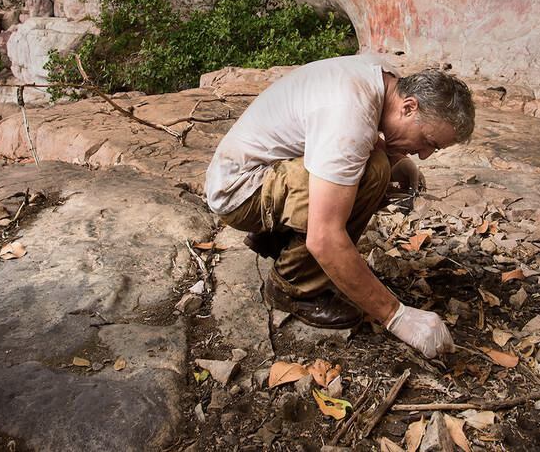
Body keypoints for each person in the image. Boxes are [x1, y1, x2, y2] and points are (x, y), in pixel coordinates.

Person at [204, 54, 475, 359]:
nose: (424, 155)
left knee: (377, 167)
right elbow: (325, 238)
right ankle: (292, 286)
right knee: (372, 172)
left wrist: (397, 160)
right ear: (409, 106)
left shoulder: (384, 82)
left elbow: (363, 141)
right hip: (240, 192)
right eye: (429, 142)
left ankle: (279, 238)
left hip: (261, 168)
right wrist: (397, 317)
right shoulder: (350, 111)